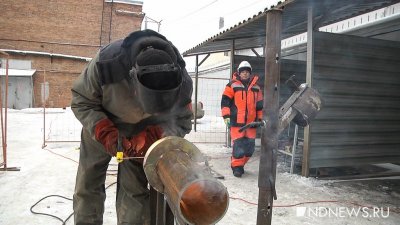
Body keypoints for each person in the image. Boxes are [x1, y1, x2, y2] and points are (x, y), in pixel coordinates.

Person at [71, 29, 193, 225]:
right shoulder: (107, 65)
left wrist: (154, 136)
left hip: (146, 131)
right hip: (102, 121)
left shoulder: (183, 82)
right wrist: (107, 134)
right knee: (88, 183)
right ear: (133, 81)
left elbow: (183, 119)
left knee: (134, 189)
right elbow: (81, 101)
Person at [221, 61, 263, 177]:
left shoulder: (256, 88)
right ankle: (237, 167)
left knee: (250, 148)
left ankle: (241, 164)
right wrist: (226, 116)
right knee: (239, 146)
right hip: (236, 122)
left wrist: (259, 118)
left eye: (247, 72)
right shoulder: (232, 85)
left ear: (250, 73)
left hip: (251, 123)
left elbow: (259, 105)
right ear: (239, 73)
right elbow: (225, 102)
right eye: (243, 72)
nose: (245, 74)